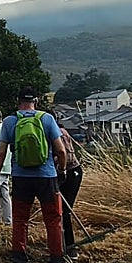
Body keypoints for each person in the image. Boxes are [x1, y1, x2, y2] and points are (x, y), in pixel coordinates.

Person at [0, 86, 70, 263]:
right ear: (37, 100)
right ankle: (57, 261)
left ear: (18, 101)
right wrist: (63, 169)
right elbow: (61, 151)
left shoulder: (10, 121)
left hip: (21, 177)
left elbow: (0, 153)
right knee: (53, 220)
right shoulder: (46, 119)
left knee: (20, 219)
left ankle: (19, 258)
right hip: (46, 177)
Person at [51, 109, 84, 255]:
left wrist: (60, 169)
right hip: (68, 172)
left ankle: (70, 247)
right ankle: (63, 243)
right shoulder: (57, 131)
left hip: (71, 173)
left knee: (64, 211)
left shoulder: (59, 133)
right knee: (61, 210)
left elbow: (65, 155)